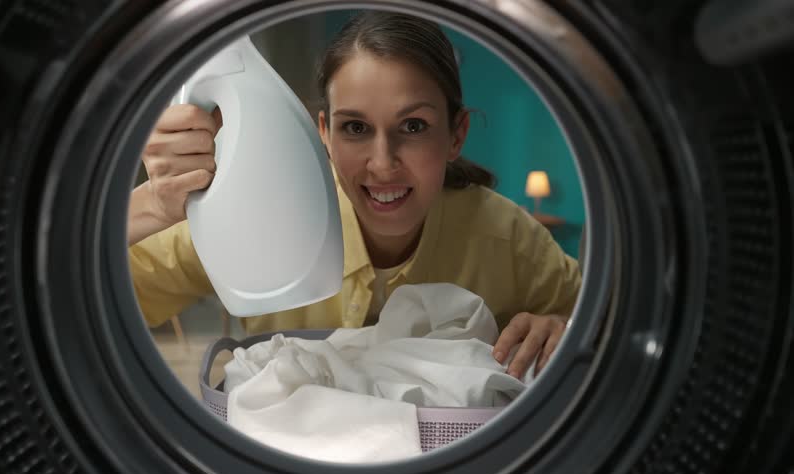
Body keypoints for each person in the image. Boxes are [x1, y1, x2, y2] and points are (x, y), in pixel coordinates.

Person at [127, 11, 581, 380]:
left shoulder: (510, 239)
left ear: (455, 135)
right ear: (324, 132)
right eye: (356, 128)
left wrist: (566, 330)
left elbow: (617, 326)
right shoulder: (264, 211)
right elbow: (87, 295)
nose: (382, 163)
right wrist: (153, 205)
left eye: (414, 127)